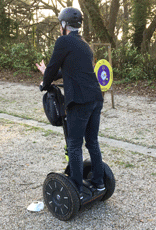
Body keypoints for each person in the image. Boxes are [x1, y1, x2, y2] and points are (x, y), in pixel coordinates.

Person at [36, 7, 105, 198]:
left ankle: (77, 189)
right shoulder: (84, 44)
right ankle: (99, 184)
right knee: (92, 142)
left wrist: (44, 83)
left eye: (60, 24)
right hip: (95, 98)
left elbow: (53, 67)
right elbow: (69, 70)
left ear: (64, 24)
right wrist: (47, 74)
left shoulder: (64, 40)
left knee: (74, 144)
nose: (60, 27)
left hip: (80, 101)